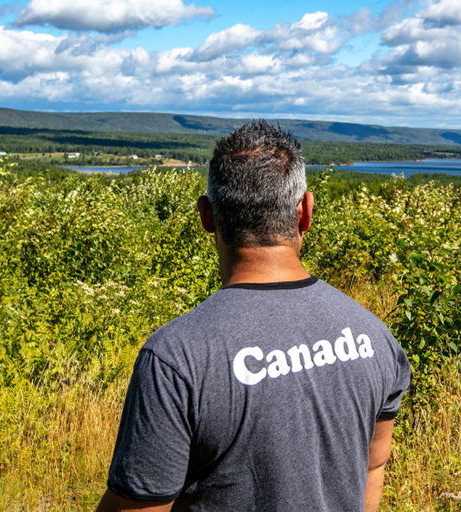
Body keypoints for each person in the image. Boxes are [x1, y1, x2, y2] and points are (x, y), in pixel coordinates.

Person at [96, 120, 411, 512]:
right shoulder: (375, 338)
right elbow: (373, 466)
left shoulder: (177, 358)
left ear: (207, 216)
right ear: (305, 212)